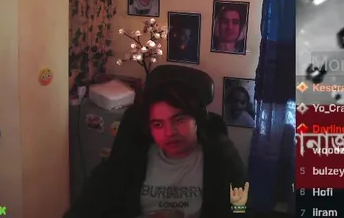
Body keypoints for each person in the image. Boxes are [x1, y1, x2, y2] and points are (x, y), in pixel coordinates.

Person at [63, 80, 247, 218]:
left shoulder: (222, 156)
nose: (169, 132)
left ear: (196, 120)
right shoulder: (131, 156)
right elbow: (85, 208)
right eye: (158, 124)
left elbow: (241, 210)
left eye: (179, 120)